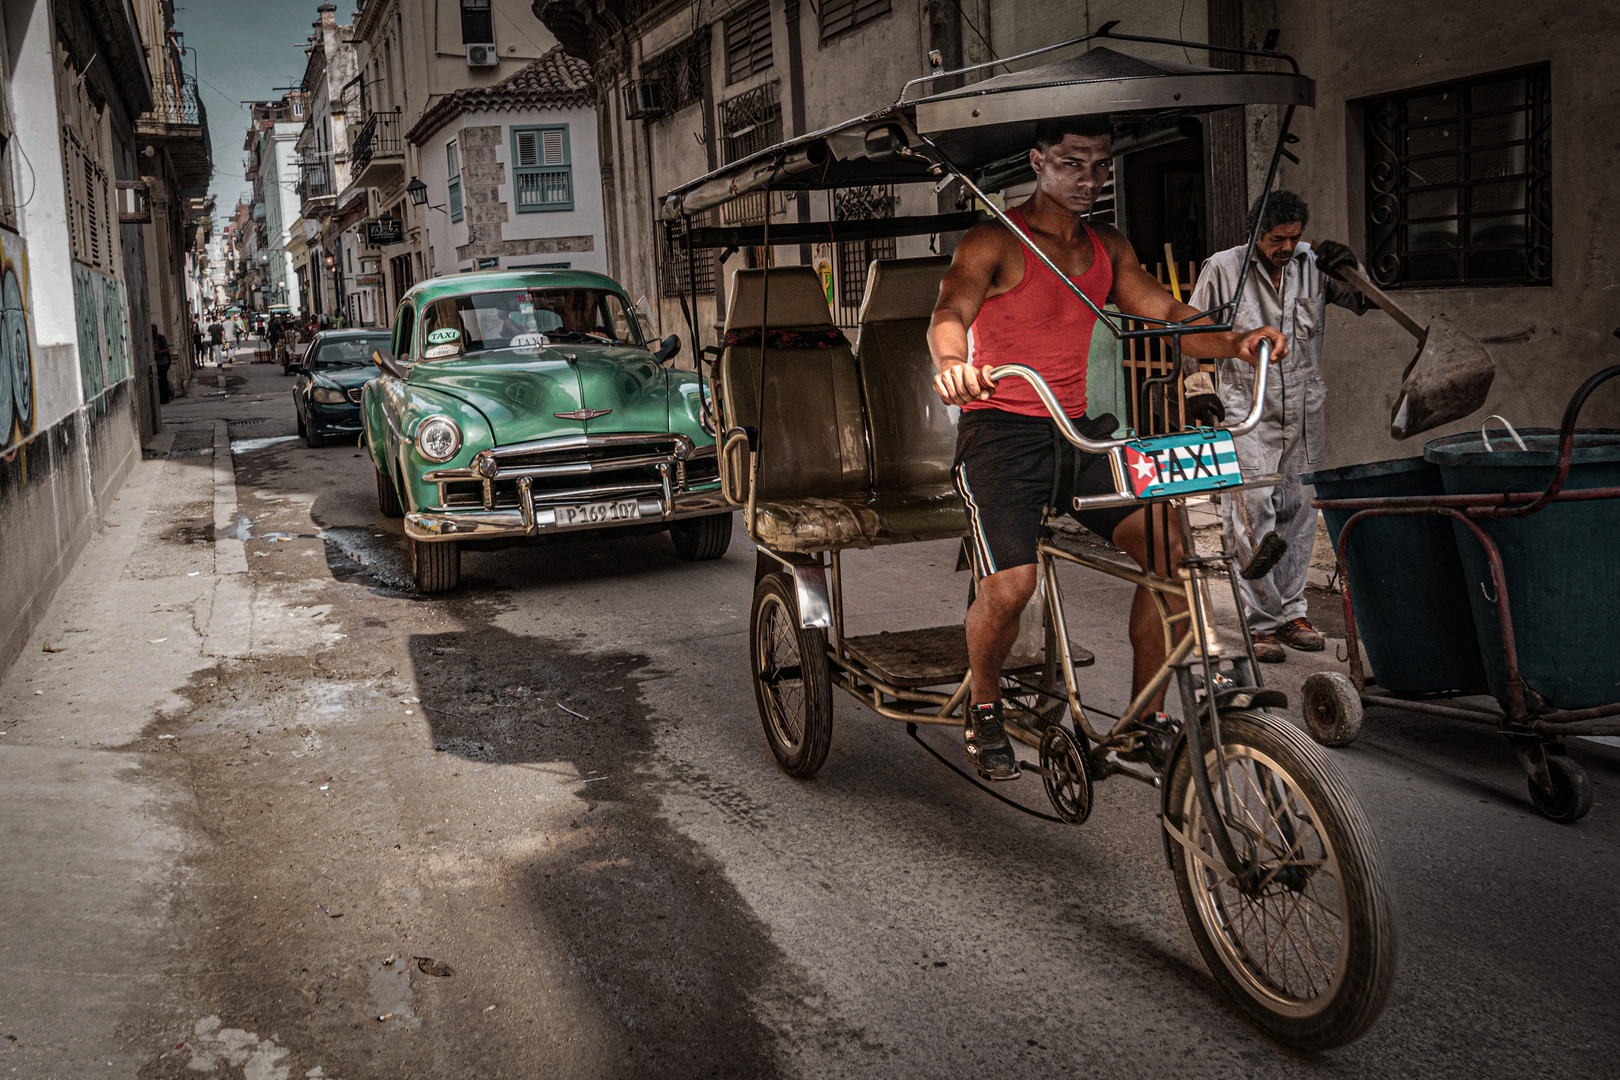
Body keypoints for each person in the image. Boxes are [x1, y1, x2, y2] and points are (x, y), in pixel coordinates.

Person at [929, 115, 1288, 781]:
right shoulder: (993, 241)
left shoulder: (1106, 246)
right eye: (1072, 164)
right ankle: (984, 704)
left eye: (1099, 166)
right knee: (1011, 587)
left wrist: (1235, 339)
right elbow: (950, 312)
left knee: (1175, 554)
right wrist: (954, 364)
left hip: (1080, 432)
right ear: (1037, 162)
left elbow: (1166, 312)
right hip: (1000, 434)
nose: (1088, 180)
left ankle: (1144, 719)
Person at [1187, 193, 1368, 663]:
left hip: (1305, 407)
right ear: (1255, 234)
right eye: (1276, 239)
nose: (1287, 247)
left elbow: (1365, 300)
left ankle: (1292, 612)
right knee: (1252, 514)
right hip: (1247, 407)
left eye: (1293, 237)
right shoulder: (1224, 269)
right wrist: (1197, 384)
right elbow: (1187, 331)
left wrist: (1353, 268)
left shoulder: (1313, 263)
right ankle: (1260, 620)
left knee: (1299, 510)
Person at [152, 324, 172, 403]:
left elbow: (167, 350)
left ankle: (165, 397)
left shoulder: (161, 338)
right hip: (156, 363)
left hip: (163, 362)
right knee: (159, 381)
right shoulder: (151, 339)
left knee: (163, 380)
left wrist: (157, 353)